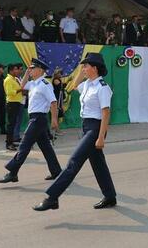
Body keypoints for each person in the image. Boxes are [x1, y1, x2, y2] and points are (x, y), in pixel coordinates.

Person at [33, 53, 117, 211]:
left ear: (95, 68)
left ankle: (52, 197)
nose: (83, 69)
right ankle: (110, 196)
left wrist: (101, 138)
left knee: (74, 162)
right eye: (83, 66)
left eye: (86, 66)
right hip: (86, 126)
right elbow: (72, 86)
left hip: (96, 128)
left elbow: (106, 113)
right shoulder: (87, 85)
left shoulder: (102, 88)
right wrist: (81, 68)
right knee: (99, 165)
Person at [0, 58, 62, 184]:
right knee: (46, 147)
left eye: (33, 68)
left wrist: (54, 119)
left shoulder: (45, 84)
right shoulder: (33, 83)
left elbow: (53, 102)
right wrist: (27, 73)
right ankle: (56, 171)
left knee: (24, 145)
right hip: (34, 118)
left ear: (40, 70)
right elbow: (22, 86)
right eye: (30, 68)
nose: (30, 70)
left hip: (39, 118)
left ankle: (12, 172)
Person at [4, 63, 23, 151]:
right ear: (11, 71)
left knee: (13, 123)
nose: (17, 71)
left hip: (16, 102)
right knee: (11, 124)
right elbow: (9, 92)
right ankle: (8, 143)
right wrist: (20, 90)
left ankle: (11, 141)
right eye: (15, 69)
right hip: (12, 103)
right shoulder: (8, 80)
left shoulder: (14, 79)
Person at [52, 68, 66, 136]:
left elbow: (62, 86)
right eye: (60, 73)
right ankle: (56, 130)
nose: (61, 75)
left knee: (58, 115)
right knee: (56, 114)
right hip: (57, 98)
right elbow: (60, 86)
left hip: (60, 98)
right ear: (57, 74)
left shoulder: (59, 80)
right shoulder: (55, 80)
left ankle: (57, 129)